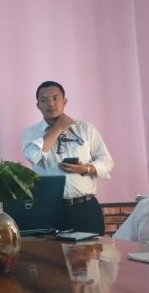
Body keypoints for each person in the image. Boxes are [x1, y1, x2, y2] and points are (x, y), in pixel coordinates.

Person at [22, 81, 114, 235]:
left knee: (93, 250)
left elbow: (107, 161)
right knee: (52, 250)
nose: (51, 104)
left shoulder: (85, 128)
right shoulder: (30, 133)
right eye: (44, 100)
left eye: (55, 98)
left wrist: (86, 169)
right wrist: (58, 128)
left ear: (65, 102)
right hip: (50, 209)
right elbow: (34, 157)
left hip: (86, 207)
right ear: (38, 105)